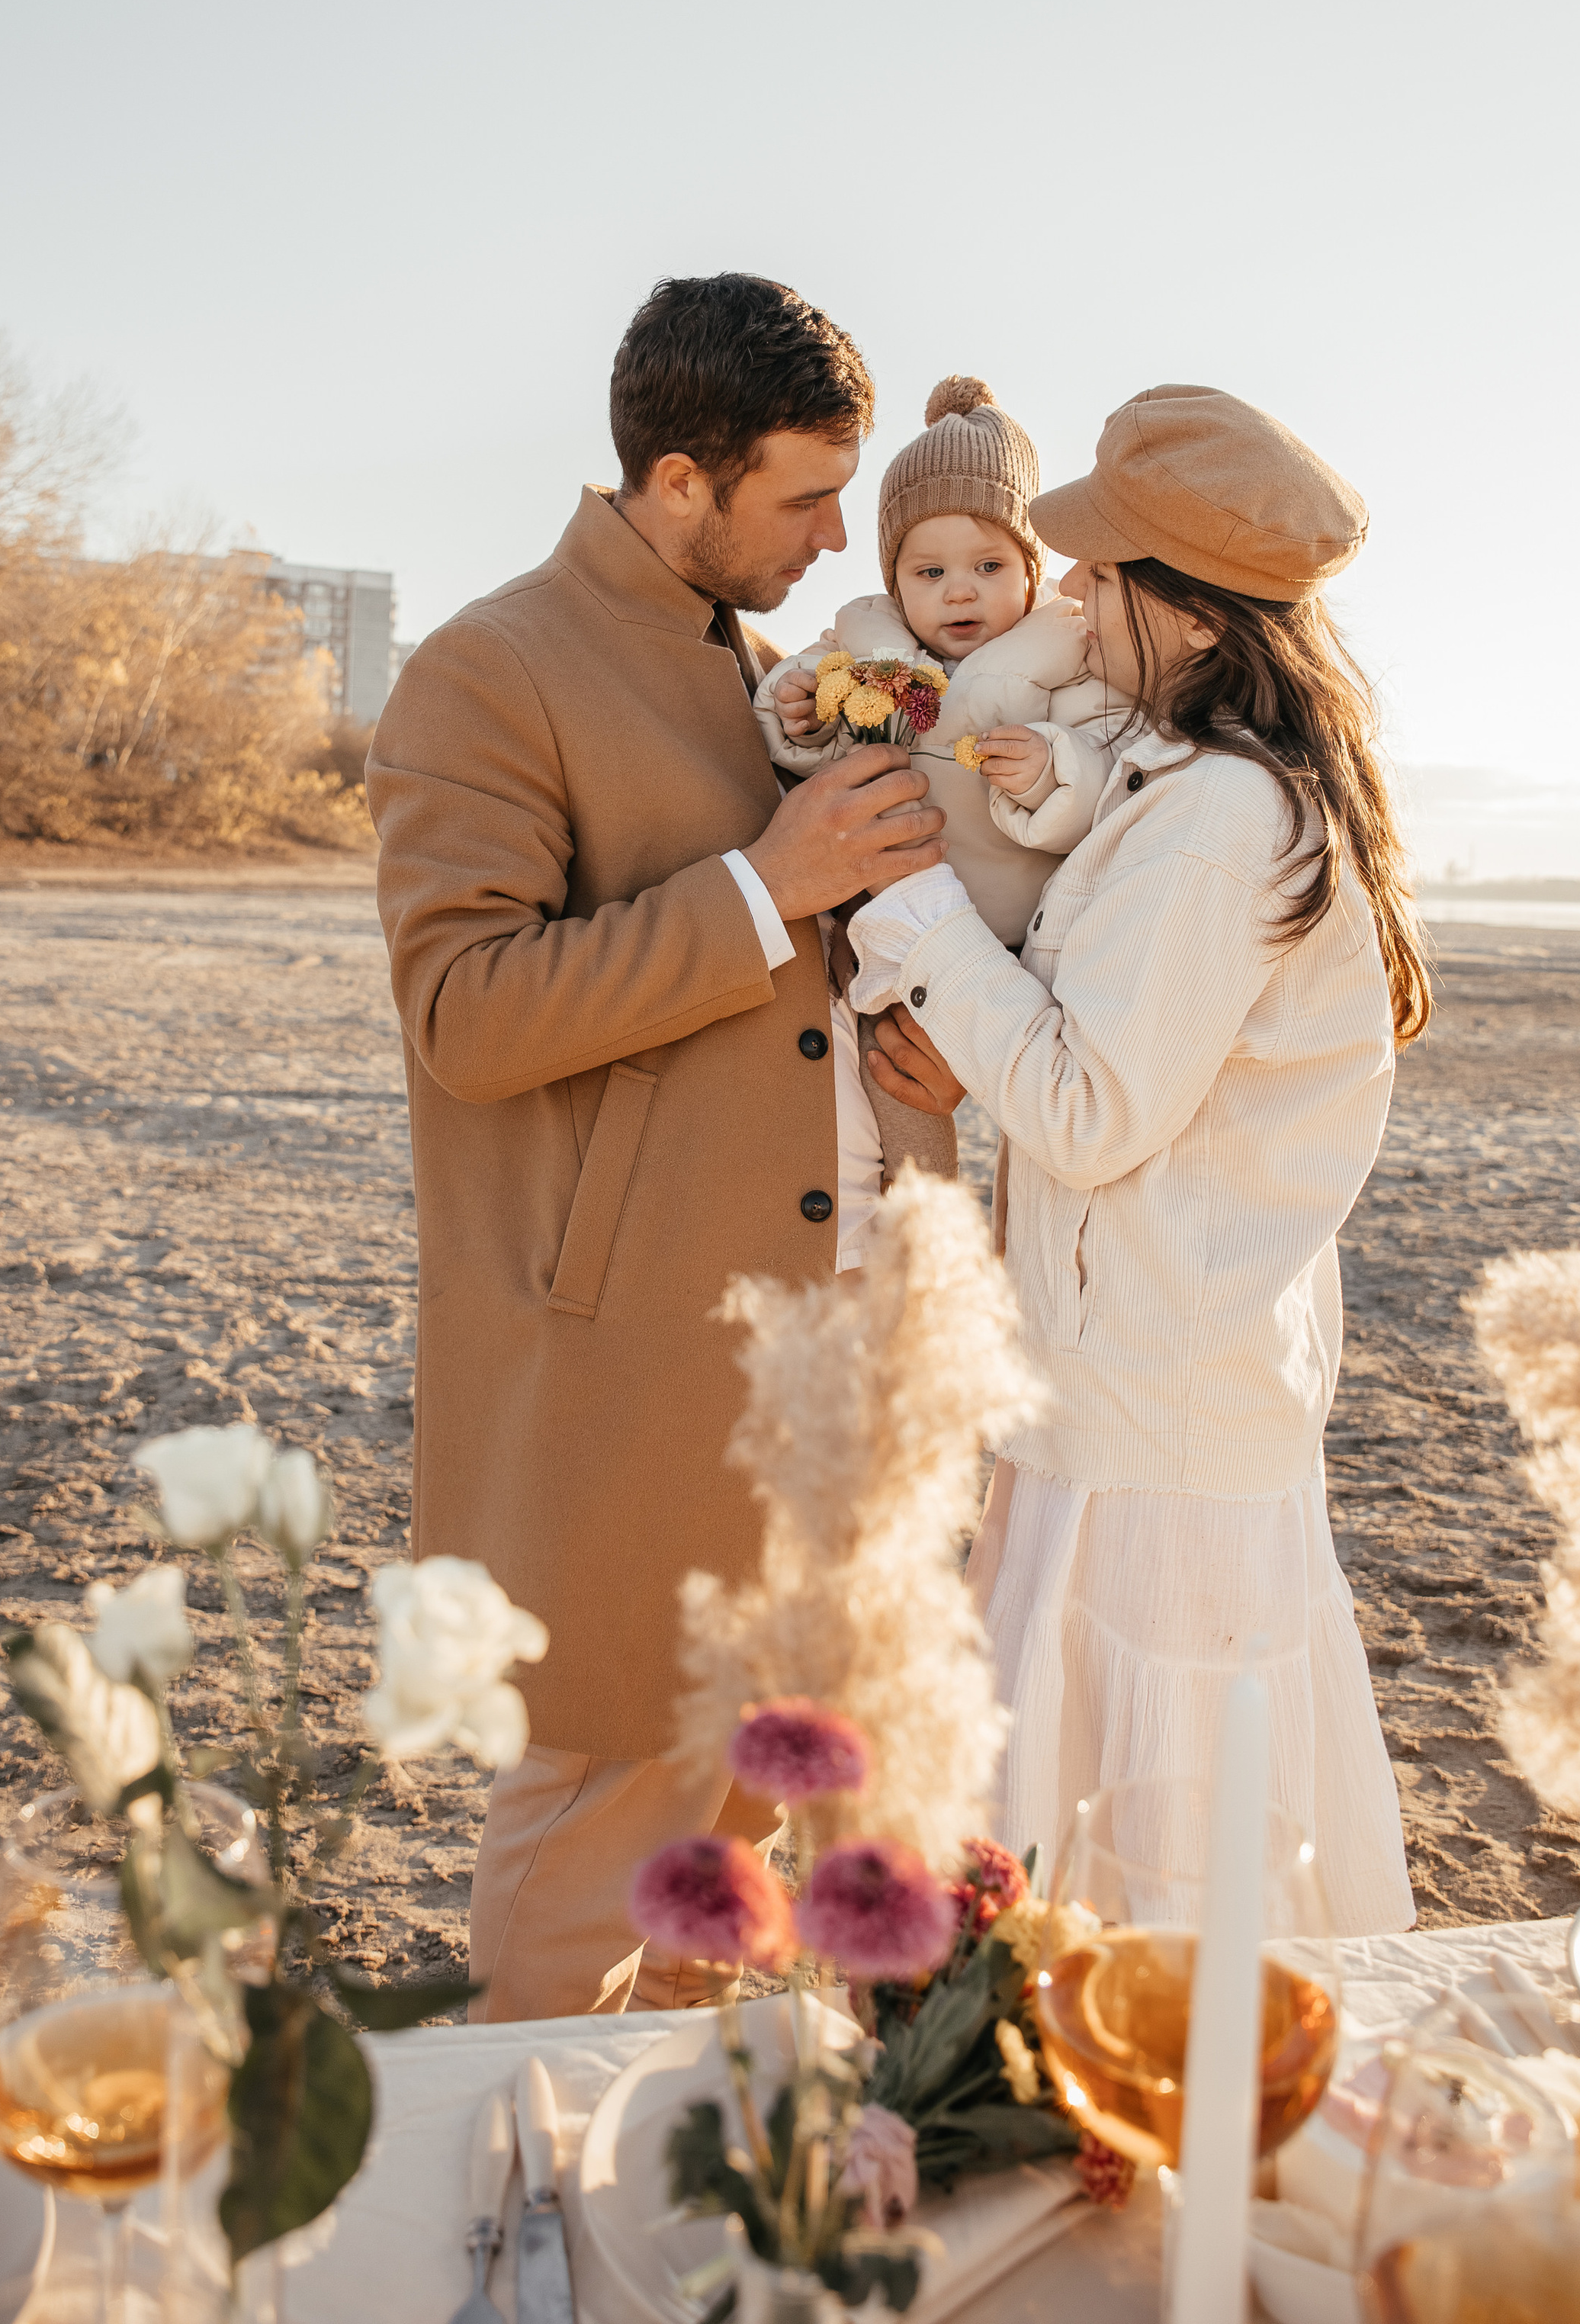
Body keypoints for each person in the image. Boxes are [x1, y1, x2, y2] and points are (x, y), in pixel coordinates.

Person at [365, 273, 959, 2019]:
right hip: (627, 1362)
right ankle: (535, 2230)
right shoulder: (489, 668)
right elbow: (465, 1013)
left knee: (736, 1842)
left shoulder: (794, 686)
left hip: (824, 1354)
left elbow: (785, 996)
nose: (836, 531)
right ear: (680, 477)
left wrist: (894, 1043)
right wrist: (768, 882)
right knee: (599, 1815)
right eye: (801, 493)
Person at [846, 384, 1427, 1933]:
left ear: (1178, 604)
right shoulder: (1184, 791)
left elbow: (1095, 1111)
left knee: (1153, 1880)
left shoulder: (1210, 822)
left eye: (1100, 573)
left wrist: (907, 918)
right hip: (1130, 1396)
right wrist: (968, 1046)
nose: (1072, 598)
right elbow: (1129, 1077)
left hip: (1152, 1431)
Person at [754, 374, 1116, 947]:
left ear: (1031, 569)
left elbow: (1118, 780)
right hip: (894, 934)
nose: (959, 592)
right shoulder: (861, 640)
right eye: (930, 572)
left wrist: (1051, 770)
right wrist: (807, 715)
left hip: (1025, 948)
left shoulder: (1077, 650)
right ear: (895, 584)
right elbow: (790, 712)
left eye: (989, 567)